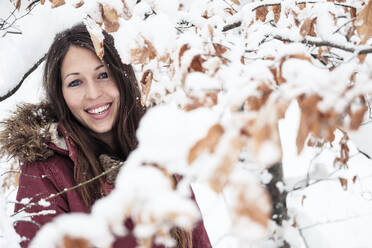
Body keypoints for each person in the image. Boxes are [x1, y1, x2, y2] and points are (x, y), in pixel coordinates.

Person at [0, 23, 211, 248]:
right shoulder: (46, 172)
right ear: (60, 94)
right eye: (75, 82)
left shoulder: (158, 149)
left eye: (103, 75)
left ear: (123, 76)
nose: (93, 93)